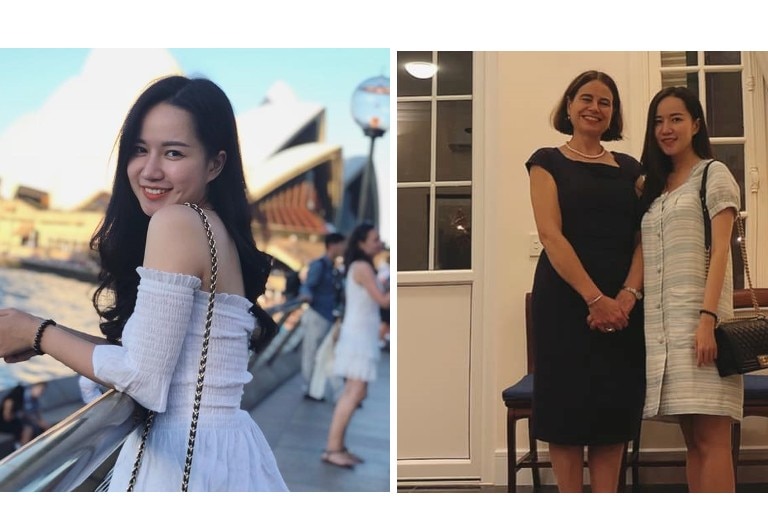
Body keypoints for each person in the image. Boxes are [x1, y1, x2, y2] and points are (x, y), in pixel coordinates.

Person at [0, 75, 288, 492]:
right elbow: (159, 364)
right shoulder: (214, 227)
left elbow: (143, 380)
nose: (150, 170)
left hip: (181, 464)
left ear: (215, 164)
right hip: (219, 454)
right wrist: (51, 333)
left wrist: (37, 332)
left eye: (173, 152)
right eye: (139, 149)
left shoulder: (177, 221)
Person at [526, 70, 645, 492]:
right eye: (587, 98)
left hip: (623, 301)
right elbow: (549, 235)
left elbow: (644, 238)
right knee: (567, 407)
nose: (595, 107)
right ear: (570, 105)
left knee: (613, 407)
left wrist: (627, 297)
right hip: (564, 299)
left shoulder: (632, 169)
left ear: (613, 114)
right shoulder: (546, 161)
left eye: (605, 102)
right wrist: (595, 299)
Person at [639, 86, 742, 493]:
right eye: (659, 121)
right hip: (663, 334)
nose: (666, 128)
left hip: (701, 324)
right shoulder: (654, 186)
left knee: (713, 440)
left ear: (695, 124)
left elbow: (721, 253)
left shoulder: (712, 174)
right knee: (692, 441)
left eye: (676, 119)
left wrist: (707, 320)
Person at [322, 223, 389, 468]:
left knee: (355, 392)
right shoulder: (362, 267)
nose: (379, 243)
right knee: (353, 393)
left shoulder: (361, 266)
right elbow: (383, 301)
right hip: (359, 337)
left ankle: (337, 446)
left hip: (361, 335)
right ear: (361, 244)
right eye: (374, 239)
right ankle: (332, 448)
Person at [298, 232, 346, 400]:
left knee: (322, 355)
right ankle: (309, 388)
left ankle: (315, 389)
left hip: (328, 317)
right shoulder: (319, 265)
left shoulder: (333, 269)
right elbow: (308, 286)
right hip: (317, 314)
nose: (344, 248)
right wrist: (306, 295)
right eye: (341, 244)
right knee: (311, 352)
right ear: (332, 245)